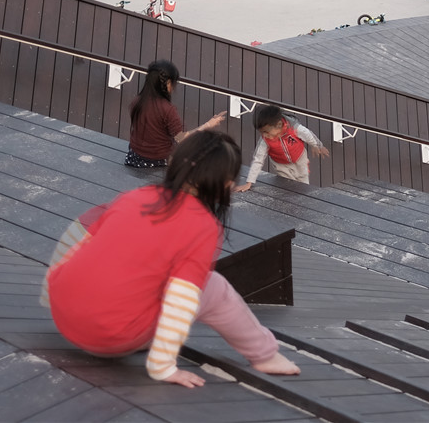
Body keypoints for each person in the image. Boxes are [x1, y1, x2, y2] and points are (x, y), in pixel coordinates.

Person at [42, 131, 302, 387]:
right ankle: (264, 355)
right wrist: (163, 367)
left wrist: (52, 293)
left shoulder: (134, 197)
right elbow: (182, 298)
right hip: (111, 339)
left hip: (63, 316)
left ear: (174, 162)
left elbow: (77, 239)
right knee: (214, 287)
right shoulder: (202, 226)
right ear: (226, 184)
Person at [123, 60, 226, 168]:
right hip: (157, 160)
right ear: (168, 83)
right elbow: (182, 139)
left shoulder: (137, 101)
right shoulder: (167, 109)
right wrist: (209, 124)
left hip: (134, 157)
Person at [236, 106, 329, 191]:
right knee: (288, 184)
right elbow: (258, 160)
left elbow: (308, 135)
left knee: (303, 181)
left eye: (266, 132)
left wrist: (317, 146)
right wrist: (249, 183)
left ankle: (304, 197)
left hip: (300, 158)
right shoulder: (265, 141)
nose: (264, 135)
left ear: (279, 124)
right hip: (280, 164)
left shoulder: (294, 128)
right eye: (261, 132)